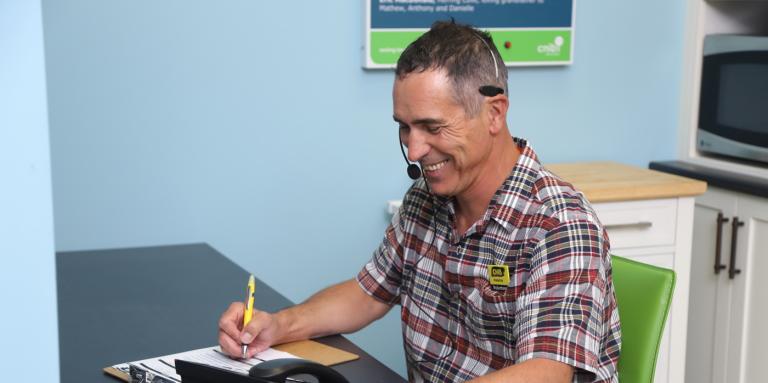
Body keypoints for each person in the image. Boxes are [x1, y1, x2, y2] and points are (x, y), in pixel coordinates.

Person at [218, 20, 621, 383]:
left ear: (494, 113)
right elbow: (367, 292)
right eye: (404, 127)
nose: (413, 150)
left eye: (432, 127)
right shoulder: (425, 201)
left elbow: (546, 372)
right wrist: (275, 325)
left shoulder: (560, 224)